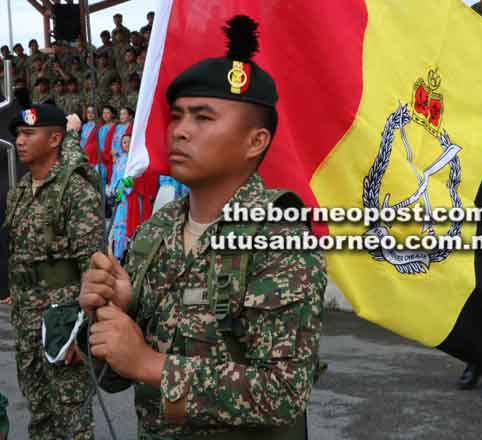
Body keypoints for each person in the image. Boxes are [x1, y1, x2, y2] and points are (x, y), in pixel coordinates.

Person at [78, 15, 326, 438]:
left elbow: (284, 391)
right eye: (177, 117)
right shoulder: (156, 233)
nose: (180, 132)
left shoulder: (279, 240)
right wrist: (113, 311)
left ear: (255, 141)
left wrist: (151, 365)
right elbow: (115, 377)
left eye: (203, 118)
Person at [3, 105, 104, 439]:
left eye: (29, 134)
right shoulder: (19, 193)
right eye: (18, 133)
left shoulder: (75, 192)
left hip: (63, 325)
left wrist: (82, 331)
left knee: (72, 420)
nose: (20, 140)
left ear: (55, 139)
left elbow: (95, 268)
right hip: (28, 322)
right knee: (40, 415)